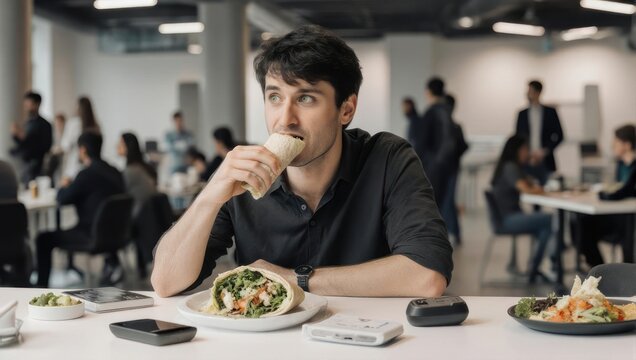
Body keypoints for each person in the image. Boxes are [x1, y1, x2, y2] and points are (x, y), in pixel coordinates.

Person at [151, 25, 452, 298]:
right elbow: (165, 282)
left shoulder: (387, 159)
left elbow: (427, 275)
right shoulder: (242, 173)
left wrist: (295, 279)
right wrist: (210, 195)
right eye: (275, 98)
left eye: (306, 98)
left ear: (346, 110)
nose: (285, 119)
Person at [36, 132, 125, 287]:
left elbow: (62, 198)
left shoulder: (86, 174)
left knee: (43, 239)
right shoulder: (115, 171)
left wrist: (65, 185)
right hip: (116, 235)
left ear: (82, 150)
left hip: (90, 235)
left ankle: (40, 287)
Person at [491, 135, 554, 283]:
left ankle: (535, 268)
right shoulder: (510, 167)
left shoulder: (511, 166)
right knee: (549, 219)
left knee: (544, 228)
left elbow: (530, 182)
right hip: (508, 219)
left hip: (508, 216)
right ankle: (545, 264)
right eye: (525, 149)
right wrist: (546, 190)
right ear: (517, 150)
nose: (528, 152)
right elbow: (527, 189)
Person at [576, 124, 636, 266]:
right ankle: (599, 270)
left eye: (615, 143)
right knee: (582, 225)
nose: (612, 146)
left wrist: (606, 194)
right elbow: (616, 189)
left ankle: (617, 274)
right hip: (615, 214)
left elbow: (623, 191)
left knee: (587, 226)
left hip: (628, 217)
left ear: (626, 145)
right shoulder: (620, 165)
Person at [411, 77, 455, 205]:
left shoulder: (431, 113)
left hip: (432, 168)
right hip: (446, 166)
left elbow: (421, 143)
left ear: (428, 92)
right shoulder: (447, 112)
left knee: (429, 206)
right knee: (441, 206)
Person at [515, 80, 563, 185]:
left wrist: (545, 151)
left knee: (546, 192)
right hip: (527, 161)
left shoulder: (550, 112)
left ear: (538, 93)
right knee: (527, 190)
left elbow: (560, 135)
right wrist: (527, 154)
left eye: (530, 91)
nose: (527, 94)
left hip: (545, 161)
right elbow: (517, 138)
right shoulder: (522, 114)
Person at [440, 94, 469, 245]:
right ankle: (452, 233)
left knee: (448, 201)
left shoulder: (454, 127)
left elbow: (463, 146)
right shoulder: (449, 126)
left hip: (450, 170)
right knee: (445, 201)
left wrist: (453, 155)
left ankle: (453, 233)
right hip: (446, 170)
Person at [10, 91, 53, 184]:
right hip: (24, 165)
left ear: (37, 104)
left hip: (36, 166)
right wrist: (16, 136)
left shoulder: (45, 125)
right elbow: (23, 143)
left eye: (28, 103)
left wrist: (25, 139)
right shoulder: (28, 123)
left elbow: (45, 146)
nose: (25, 106)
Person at [60, 96, 101, 180]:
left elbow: (65, 146)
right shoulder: (96, 125)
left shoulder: (73, 123)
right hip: (92, 168)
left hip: (74, 168)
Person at [117, 132, 157, 216]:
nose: (117, 146)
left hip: (139, 217)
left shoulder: (130, 171)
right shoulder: (145, 168)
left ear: (128, 146)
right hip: (152, 215)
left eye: (121, 143)